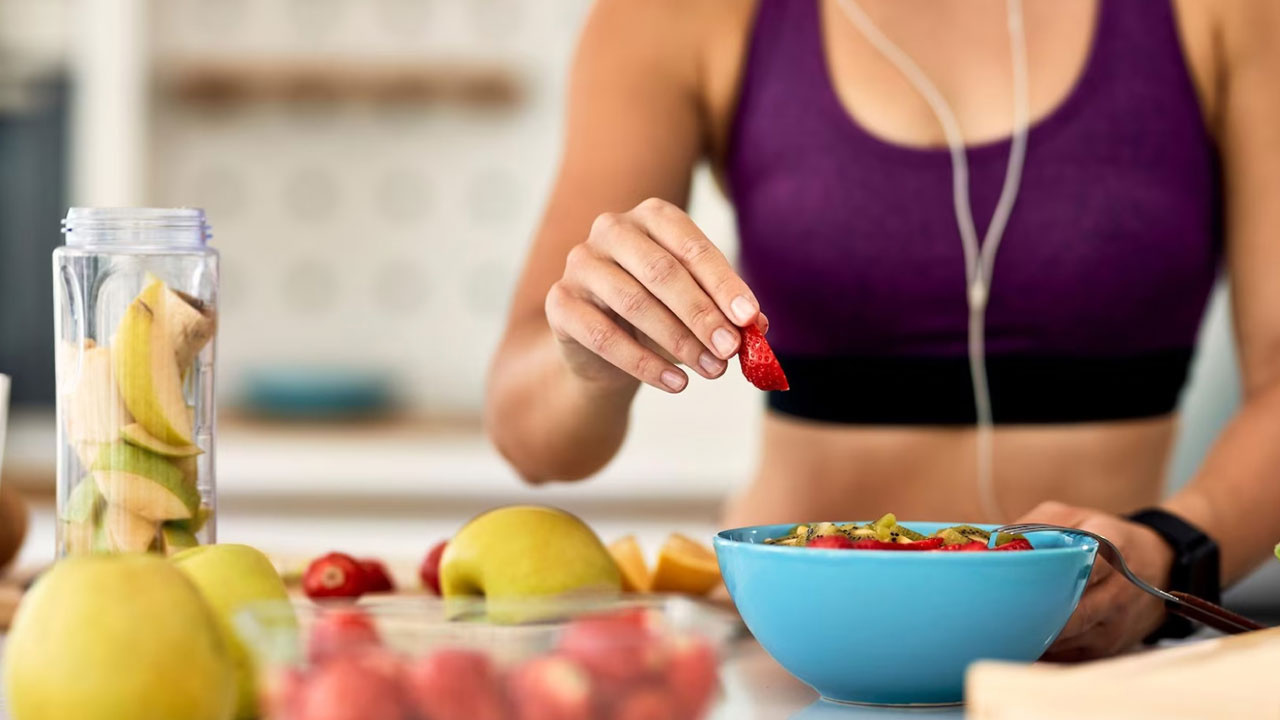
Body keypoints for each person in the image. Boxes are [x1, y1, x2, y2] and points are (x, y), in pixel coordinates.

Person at [486, 0, 1280, 660]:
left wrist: (1175, 549)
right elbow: (533, 438)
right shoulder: (677, 15)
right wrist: (588, 357)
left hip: (1095, 657)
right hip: (790, 658)